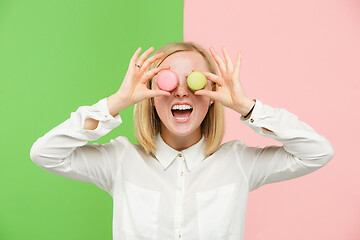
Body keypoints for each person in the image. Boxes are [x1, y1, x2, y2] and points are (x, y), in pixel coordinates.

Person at [30, 41, 334, 240]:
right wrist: (118, 101)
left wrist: (248, 107)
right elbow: (45, 153)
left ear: (213, 97)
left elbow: (317, 152)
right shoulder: (120, 161)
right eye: (169, 80)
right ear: (150, 97)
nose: (181, 91)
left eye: (194, 80)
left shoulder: (239, 163)